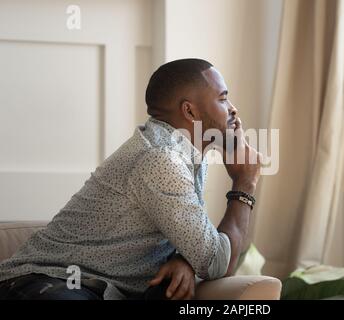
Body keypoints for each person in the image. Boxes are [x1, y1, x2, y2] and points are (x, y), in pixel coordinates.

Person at [0, 59, 261, 300]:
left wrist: (186, 258)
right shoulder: (161, 160)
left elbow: (201, 248)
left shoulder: (184, 154)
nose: (233, 109)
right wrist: (244, 182)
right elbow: (218, 263)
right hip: (45, 282)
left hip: (96, 289)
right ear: (190, 112)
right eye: (223, 99)